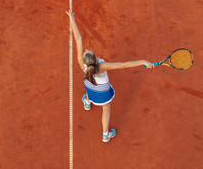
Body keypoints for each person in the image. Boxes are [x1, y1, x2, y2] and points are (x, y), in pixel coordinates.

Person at [66, 11, 154, 143]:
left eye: (86, 52)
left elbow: (78, 39)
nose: (86, 50)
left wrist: (72, 20)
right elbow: (123, 65)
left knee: (89, 85)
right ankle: (105, 135)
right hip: (102, 93)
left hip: (91, 89)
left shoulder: (81, 62)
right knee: (106, 108)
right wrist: (143, 61)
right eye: (87, 51)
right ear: (94, 58)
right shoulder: (102, 66)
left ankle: (87, 102)